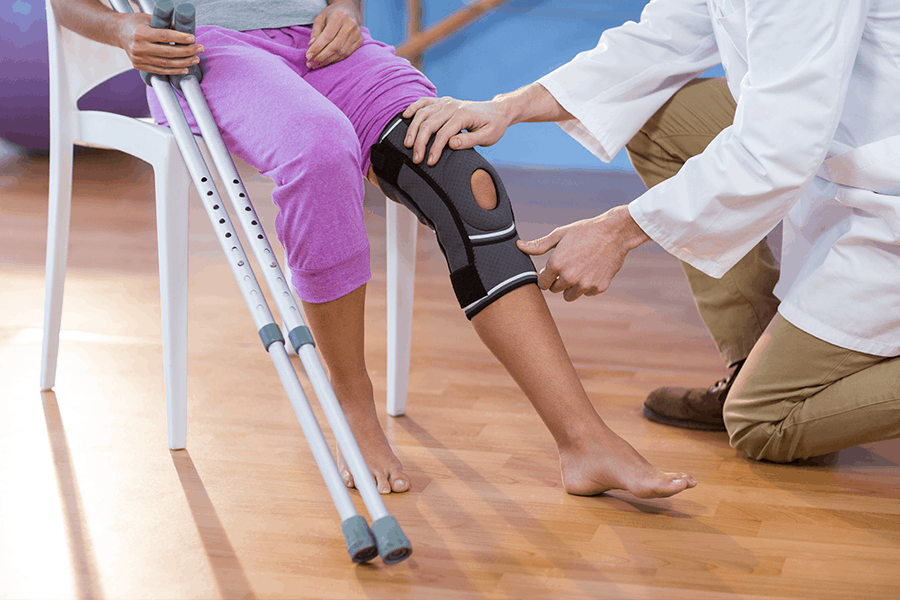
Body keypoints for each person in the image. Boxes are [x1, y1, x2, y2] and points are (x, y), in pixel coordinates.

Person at [52, 0, 698, 498]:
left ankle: (582, 442)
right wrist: (120, 31)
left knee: (458, 172)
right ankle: (352, 402)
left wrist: (346, 7)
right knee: (320, 148)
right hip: (206, 52)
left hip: (324, 44)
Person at [404, 0, 900, 462]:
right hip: (834, 143)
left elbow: (778, 149)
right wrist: (509, 106)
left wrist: (618, 230)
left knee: (762, 422)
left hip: (877, 182)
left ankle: (770, 387)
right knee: (658, 118)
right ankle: (752, 359)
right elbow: (662, 38)